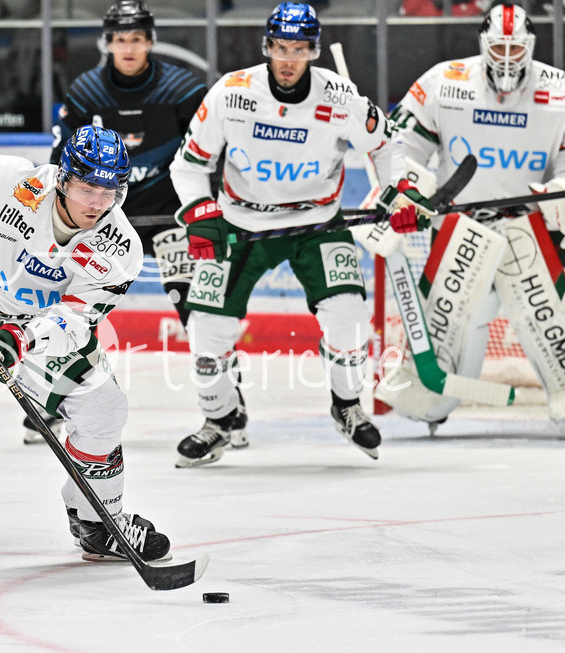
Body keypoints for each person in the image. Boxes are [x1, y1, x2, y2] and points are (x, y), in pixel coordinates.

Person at [0, 125, 172, 562]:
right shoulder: (12, 180)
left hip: (36, 329)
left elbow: (76, 319)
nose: (97, 203)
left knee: (104, 409)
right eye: (87, 188)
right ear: (63, 179)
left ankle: (98, 525)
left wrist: (21, 338)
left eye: (110, 191)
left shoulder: (120, 248)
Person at [167, 2, 421, 466]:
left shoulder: (342, 98)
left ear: (313, 51)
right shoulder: (232, 92)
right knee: (207, 328)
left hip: (317, 225)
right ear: (267, 47)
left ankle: (347, 405)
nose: (288, 59)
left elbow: (387, 147)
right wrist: (200, 213)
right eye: (280, 48)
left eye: (299, 49)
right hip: (242, 223)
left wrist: (398, 194)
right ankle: (220, 420)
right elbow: (188, 164)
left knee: (346, 315)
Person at [377, 2, 565, 438]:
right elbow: (398, 147)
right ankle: (432, 401)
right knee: (450, 325)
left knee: (547, 318)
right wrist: (411, 184)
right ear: (484, 44)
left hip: (530, 227)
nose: (507, 56)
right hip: (461, 227)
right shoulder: (443, 82)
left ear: (531, 46)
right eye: (499, 46)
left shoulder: (562, 90)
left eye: (516, 47)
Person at [45, 1, 224, 448]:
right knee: (69, 309)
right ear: (109, 43)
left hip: (169, 217)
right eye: (120, 39)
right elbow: (58, 164)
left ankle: (225, 409)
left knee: (195, 307)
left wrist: (208, 208)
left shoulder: (184, 89)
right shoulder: (85, 92)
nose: (128, 48)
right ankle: (49, 401)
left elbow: (212, 154)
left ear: (150, 41)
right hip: (103, 223)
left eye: (137, 39)